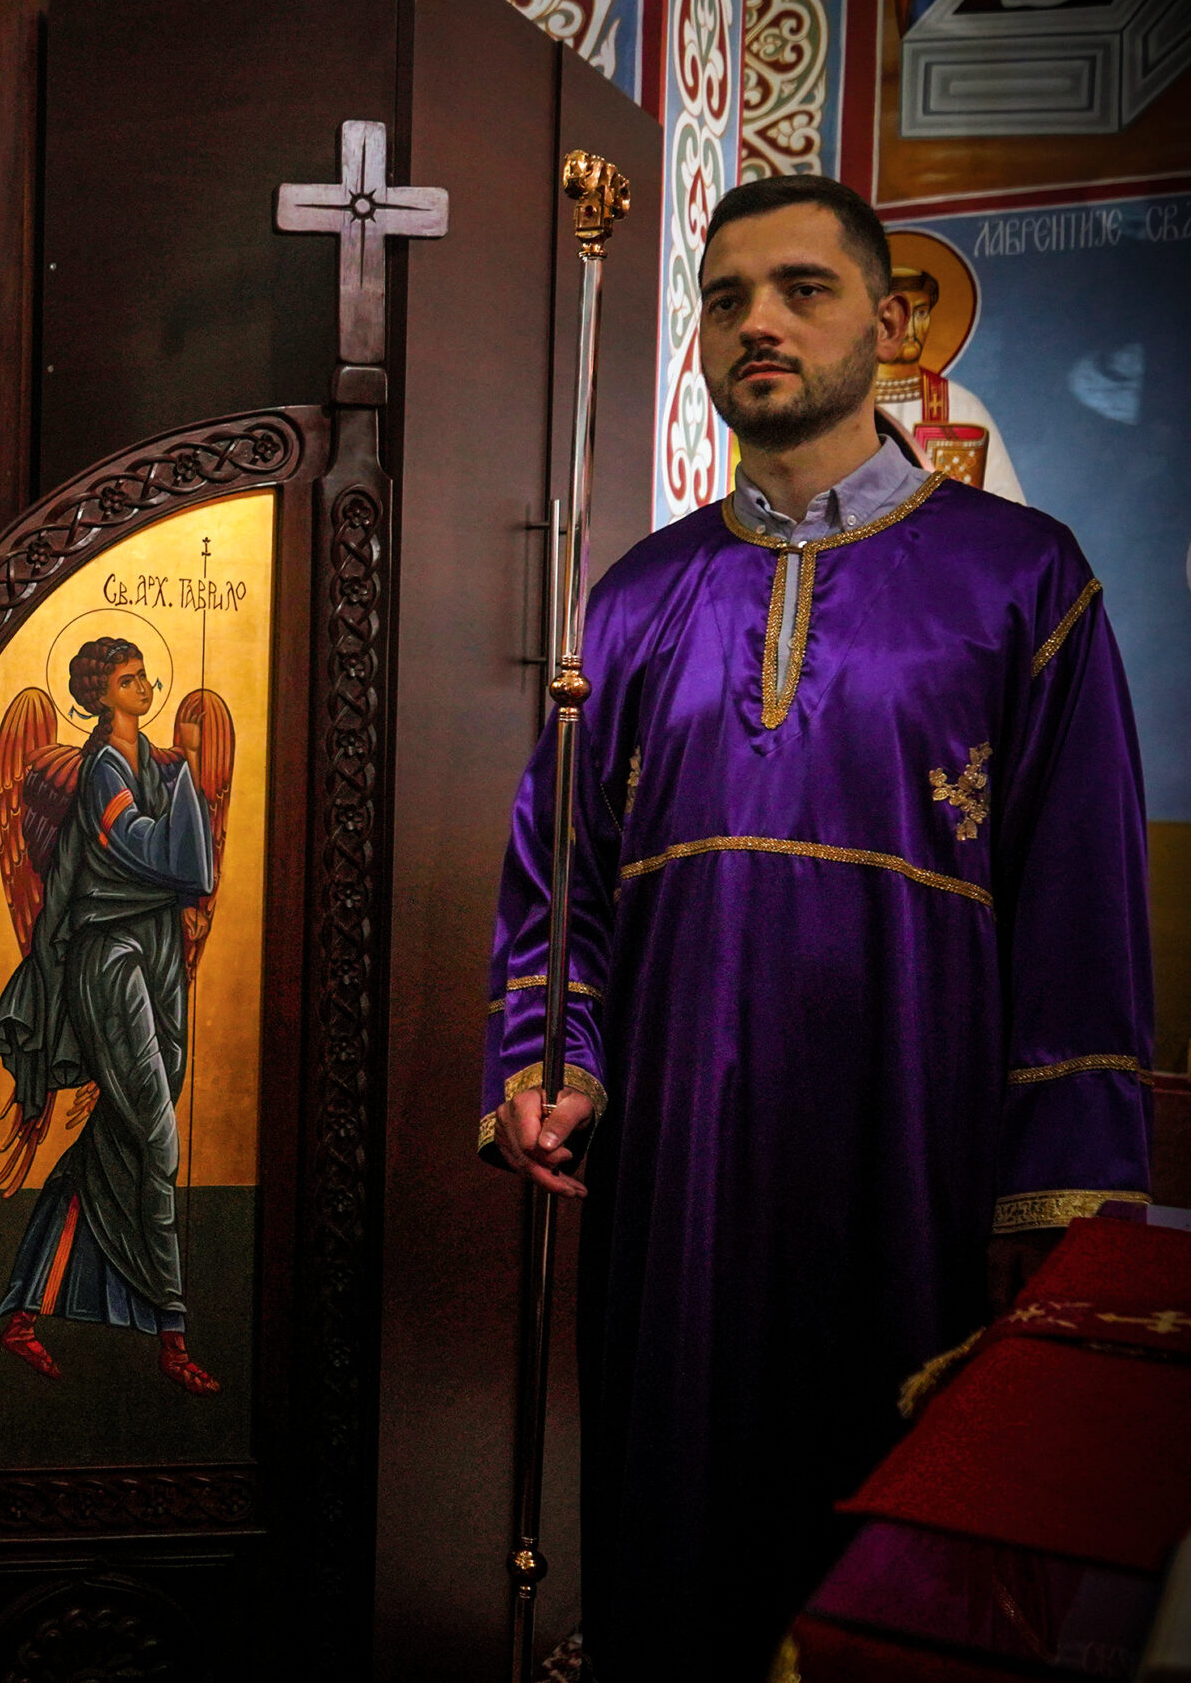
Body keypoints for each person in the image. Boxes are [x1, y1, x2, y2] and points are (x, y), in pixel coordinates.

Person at [480, 174, 1153, 1678]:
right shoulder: (638, 596)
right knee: (673, 1537)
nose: (759, 324)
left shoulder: (1022, 578)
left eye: (803, 288)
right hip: (676, 1182)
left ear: (889, 321)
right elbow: (559, 883)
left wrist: (1054, 1201)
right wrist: (550, 1058)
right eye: (726, 299)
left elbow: (1083, 917)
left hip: (913, 1163)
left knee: (884, 1551)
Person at [0, 640, 227, 1395]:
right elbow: (156, 852)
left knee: (117, 1139)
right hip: (111, 952)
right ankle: (172, 1333)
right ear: (102, 695)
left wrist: (183, 773)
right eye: (130, 679)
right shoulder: (102, 772)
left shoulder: (155, 764)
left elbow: (188, 866)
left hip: (157, 949)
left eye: (145, 675)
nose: (146, 686)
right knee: (156, 1138)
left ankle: (24, 1311)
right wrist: (188, 780)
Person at [874, 261, 1026, 503]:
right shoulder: (841, 405)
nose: (910, 329)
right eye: (893, 316)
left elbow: (1004, 509)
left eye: (920, 313)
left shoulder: (961, 407)